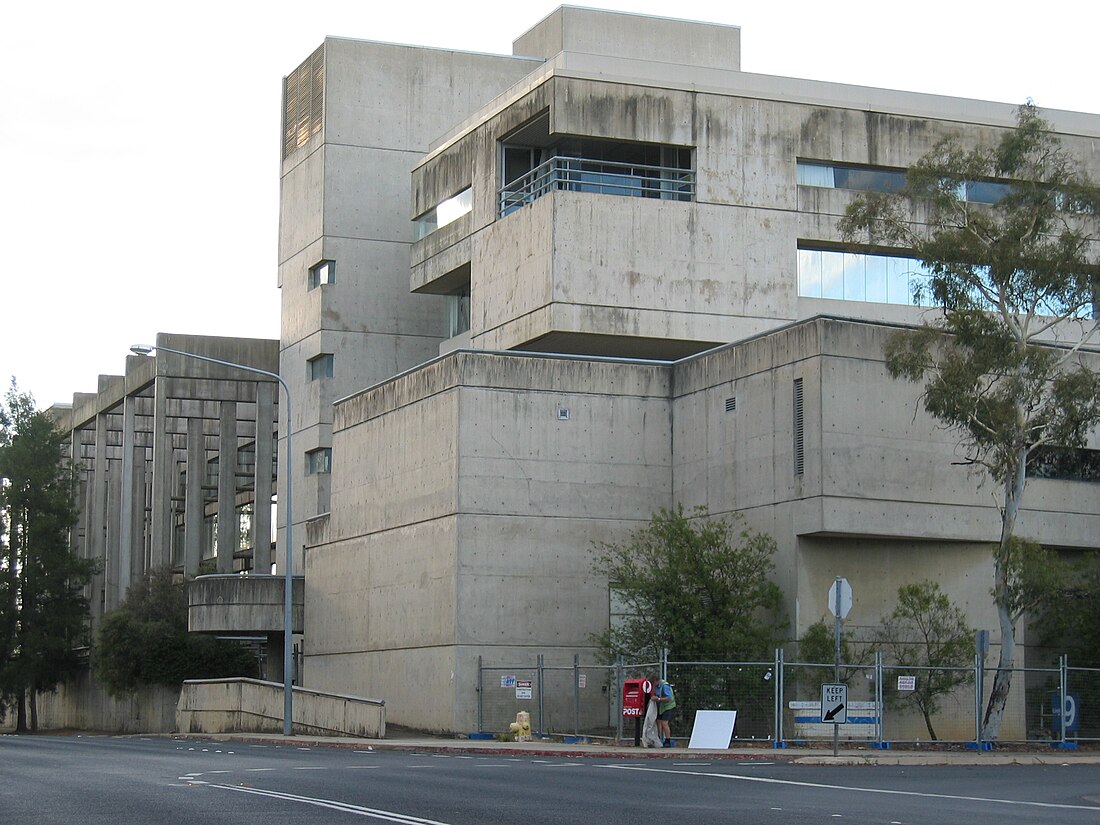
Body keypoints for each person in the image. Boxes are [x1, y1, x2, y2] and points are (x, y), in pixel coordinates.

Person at [652, 676, 677, 747]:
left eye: (652, 683)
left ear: (656, 681)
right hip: (661, 706)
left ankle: (667, 741)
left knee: (664, 723)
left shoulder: (665, 686)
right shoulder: (655, 686)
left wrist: (659, 699)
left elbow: (669, 698)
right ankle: (658, 739)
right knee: (658, 721)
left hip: (668, 706)